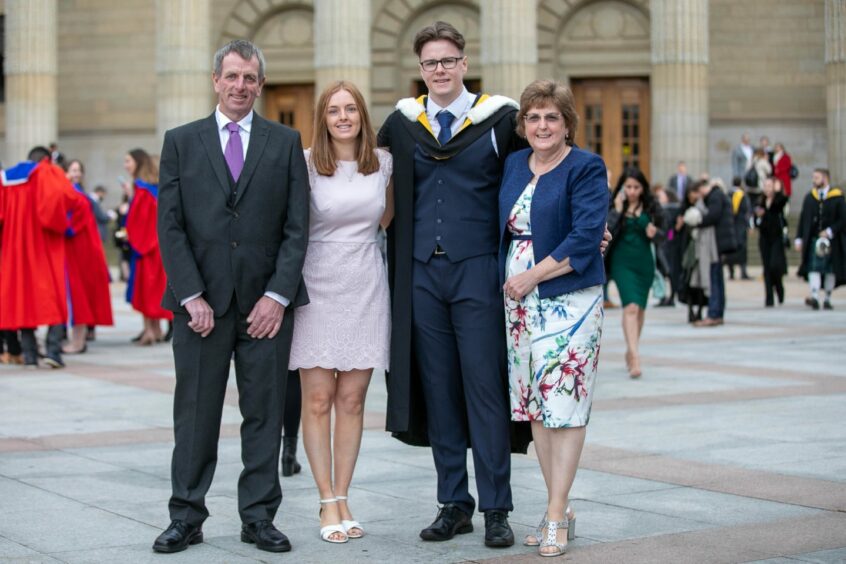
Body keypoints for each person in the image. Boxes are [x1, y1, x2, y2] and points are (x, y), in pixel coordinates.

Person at [153, 39, 309, 555]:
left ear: (260, 85)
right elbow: (170, 225)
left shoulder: (285, 142)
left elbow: (296, 227)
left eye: (250, 78)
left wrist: (278, 296)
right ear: (215, 80)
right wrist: (190, 294)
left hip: (266, 308)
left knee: (264, 413)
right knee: (195, 414)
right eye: (232, 76)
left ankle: (259, 517)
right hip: (201, 308)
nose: (241, 86)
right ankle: (186, 516)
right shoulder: (181, 141)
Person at [376, 21, 528, 549]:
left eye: (447, 61)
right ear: (420, 71)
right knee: (439, 390)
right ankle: (453, 503)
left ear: (464, 64)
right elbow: (368, 182)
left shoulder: (501, 120)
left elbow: (540, 175)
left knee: (484, 389)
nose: (438, 70)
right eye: (429, 63)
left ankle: (496, 508)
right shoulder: (402, 123)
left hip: (478, 270)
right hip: (421, 273)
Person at [498, 79, 607, 557]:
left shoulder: (585, 166)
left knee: (565, 403)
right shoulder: (513, 166)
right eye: (534, 118)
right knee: (536, 408)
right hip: (518, 306)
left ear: (567, 124)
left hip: (569, 299)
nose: (542, 126)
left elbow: (586, 237)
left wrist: (533, 277)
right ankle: (555, 506)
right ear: (523, 125)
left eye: (552, 117)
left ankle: (558, 513)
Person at [289, 80, 393, 544]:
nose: (344, 117)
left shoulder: (383, 163)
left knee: (352, 400)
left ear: (362, 115)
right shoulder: (307, 164)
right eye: (334, 111)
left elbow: (385, 219)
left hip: (366, 284)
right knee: (317, 400)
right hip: (317, 284)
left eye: (351, 109)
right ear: (323, 118)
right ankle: (326, 497)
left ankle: (345, 495)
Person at [0, 146, 87, 368]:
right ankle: (53, 351)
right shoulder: (48, 172)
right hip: (44, 246)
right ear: (47, 159)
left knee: (23, 299)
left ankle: (29, 355)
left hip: (15, 249)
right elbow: (68, 199)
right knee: (54, 298)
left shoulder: (6, 178)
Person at [607, 168, 663, 378]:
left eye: (636, 187)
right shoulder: (614, 205)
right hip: (622, 263)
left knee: (639, 310)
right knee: (630, 306)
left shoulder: (651, 206)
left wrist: (654, 231)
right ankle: (635, 357)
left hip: (644, 264)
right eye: (628, 187)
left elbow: (666, 233)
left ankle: (631, 349)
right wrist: (618, 211)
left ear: (642, 188)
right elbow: (606, 232)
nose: (631, 191)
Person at [62, 159, 114, 353]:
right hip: (78, 250)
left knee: (78, 295)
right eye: (72, 170)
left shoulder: (77, 197)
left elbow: (68, 227)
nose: (75, 173)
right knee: (77, 295)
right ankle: (77, 340)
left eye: (78, 170)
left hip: (78, 251)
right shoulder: (78, 195)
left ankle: (78, 341)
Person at [124, 149, 173, 345]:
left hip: (146, 247)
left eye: (128, 161)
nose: (125, 165)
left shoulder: (142, 190)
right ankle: (156, 329)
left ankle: (150, 331)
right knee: (154, 290)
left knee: (146, 290)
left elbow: (137, 221)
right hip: (159, 246)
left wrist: (133, 240)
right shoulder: (155, 190)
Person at [795, 168, 845, 310]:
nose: (813, 180)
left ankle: (827, 298)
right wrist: (799, 238)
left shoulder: (837, 197)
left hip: (832, 241)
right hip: (813, 239)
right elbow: (803, 219)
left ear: (825, 178)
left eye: (816, 177)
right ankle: (815, 296)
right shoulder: (810, 197)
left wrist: (830, 231)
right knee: (813, 269)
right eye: (813, 177)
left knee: (830, 270)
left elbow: (843, 219)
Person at [693, 179, 736, 326]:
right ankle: (717, 313)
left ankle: (713, 313)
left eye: (699, 192)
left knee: (714, 279)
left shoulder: (715, 196)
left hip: (716, 245)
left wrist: (697, 221)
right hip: (720, 243)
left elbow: (713, 216)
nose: (700, 196)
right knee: (717, 278)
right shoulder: (719, 195)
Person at [754, 177, 789, 306]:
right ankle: (769, 298)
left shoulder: (779, 200)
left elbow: (783, 202)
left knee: (775, 265)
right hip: (764, 238)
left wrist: (778, 191)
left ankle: (779, 287)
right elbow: (755, 220)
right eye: (766, 186)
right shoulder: (760, 201)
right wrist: (758, 217)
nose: (767, 189)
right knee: (766, 268)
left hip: (777, 238)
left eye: (770, 186)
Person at [677, 181, 709, 323]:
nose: (694, 195)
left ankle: (700, 310)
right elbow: (671, 234)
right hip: (686, 248)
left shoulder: (703, 207)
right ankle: (690, 309)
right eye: (692, 192)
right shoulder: (682, 209)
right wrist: (678, 226)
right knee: (688, 280)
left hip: (700, 247)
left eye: (696, 192)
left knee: (700, 280)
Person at [725, 176, 752, 280]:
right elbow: (747, 212)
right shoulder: (742, 195)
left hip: (730, 226)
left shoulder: (728, 195)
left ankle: (731, 272)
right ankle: (743, 272)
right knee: (742, 249)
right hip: (740, 226)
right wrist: (749, 226)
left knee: (730, 250)